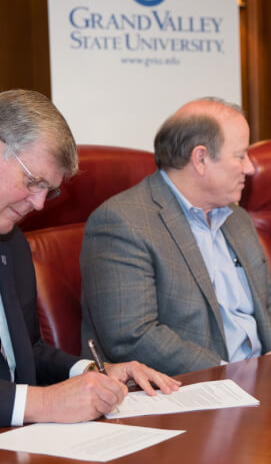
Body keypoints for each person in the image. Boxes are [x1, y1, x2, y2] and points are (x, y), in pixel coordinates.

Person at [0, 89, 180, 427]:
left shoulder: (13, 245)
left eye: (48, 190)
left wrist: (94, 372)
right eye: (33, 181)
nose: (39, 205)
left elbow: (27, 353)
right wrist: (42, 402)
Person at [80, 97, 271, 375]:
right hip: (190, 390)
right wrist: (228, 374)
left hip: (264, 380)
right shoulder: (123, 222)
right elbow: (132, 336)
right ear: (201, 159)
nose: (250, 168)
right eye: (241, 156)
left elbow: (270, 300)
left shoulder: (237, 218)